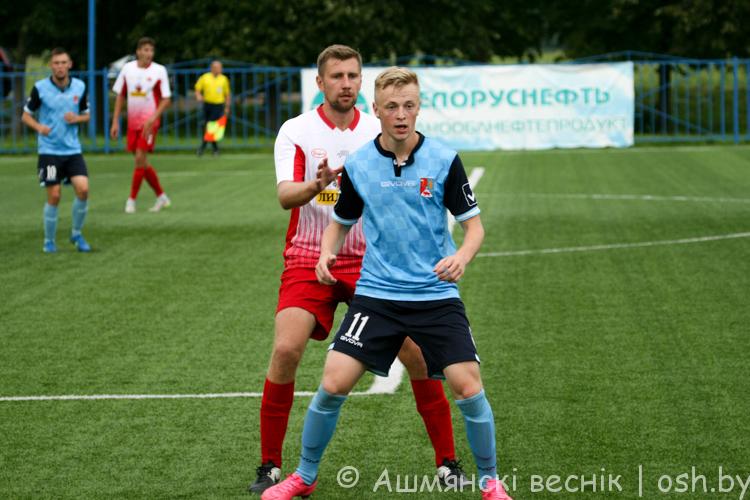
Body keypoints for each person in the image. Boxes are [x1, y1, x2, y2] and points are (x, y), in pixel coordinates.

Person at [261, 67, 512, 500]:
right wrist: (325, 253)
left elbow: (474, 227)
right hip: (377, 296)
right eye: (392, 107)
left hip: (434, 295)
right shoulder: (359, 164)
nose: (401, 115)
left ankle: (490, 482)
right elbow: (340, 222)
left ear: (419, 107)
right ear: (375, 109)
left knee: (468, 387)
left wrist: (461, 257)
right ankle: (304, 476)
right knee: (332, 383)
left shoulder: (444, 160)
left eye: (409, 106)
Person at [22, 47, 91, 253]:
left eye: (63, 63)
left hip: (72, 151)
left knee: (83, 190)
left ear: (69, 65)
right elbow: (25, 116)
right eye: (56, 63)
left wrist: (77, 118)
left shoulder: (79, 86)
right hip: (49, 152)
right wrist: (39, 127)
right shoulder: (40, 88)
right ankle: (49, 241)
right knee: (54, 195)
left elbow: (87, 114)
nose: (60, 67)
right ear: (51, 66)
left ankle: (76, 234)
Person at [110, 37, 172, 214]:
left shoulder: (159, 70)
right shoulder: (127, 69)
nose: (148, 54)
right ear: (138, 52)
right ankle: (161, 196)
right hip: (133, 122)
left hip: (149, 124)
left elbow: (166, 99)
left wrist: (153, 118)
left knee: (139, 158)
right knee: (142, 162)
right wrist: (115, 121)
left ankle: (131, 200)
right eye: (145, 50)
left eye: (151, 50)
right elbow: (121, 96)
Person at [194, 59, 230, 156]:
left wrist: (227, 107)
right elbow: (197, 88)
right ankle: (215, 149)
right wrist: (198, 95)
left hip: (218, 105)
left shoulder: (223, 79)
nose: (220, 69)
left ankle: (202, 148)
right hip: (207, 104)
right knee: (209, 126)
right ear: (212, 68)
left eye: (220, 67)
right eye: (218, 67)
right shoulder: (205, 77)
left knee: (211, 126)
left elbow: (227, 94)